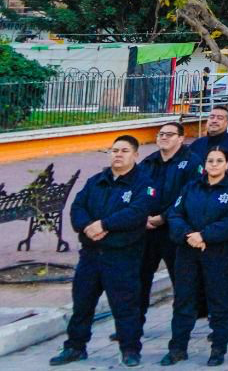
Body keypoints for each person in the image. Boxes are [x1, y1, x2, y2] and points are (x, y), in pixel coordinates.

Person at [52, 135, 156, 368]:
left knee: (125, 306)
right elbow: (78, 207)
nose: (118, 154)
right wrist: (87, 227)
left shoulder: (143, 184)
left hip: (122, 256)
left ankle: (130, 350)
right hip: (91, 254)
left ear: (135, 155)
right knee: (82, 303)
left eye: (124, 151)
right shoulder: (96, 181)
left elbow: (137, 212)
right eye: (114, 150)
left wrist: (104, 225)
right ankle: (75, 347)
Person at [164, 147, 228, 367]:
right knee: (183, 300)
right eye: (210, 161)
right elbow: (175, 214)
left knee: (219, 301)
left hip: (217, 253)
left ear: (227, 164)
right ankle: (178, 348)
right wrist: (188, 235)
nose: (214, 165)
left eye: (219, 161)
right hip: (187, 251)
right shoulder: (191, 187)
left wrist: (204, 235)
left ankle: (218, 349)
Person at [140, 122, 191, 321]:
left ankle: (182, 325)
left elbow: (188, 195)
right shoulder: (148, 162)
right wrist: (143, 216)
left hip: (175, 230)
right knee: (140, 278)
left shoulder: (191, 162)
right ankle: (133, 325)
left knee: (180, 280)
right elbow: (137, 191)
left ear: (181, 138)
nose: (164, 137)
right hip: (147, 229)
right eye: (161, 134)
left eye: (170, 134)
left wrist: (163, 217)